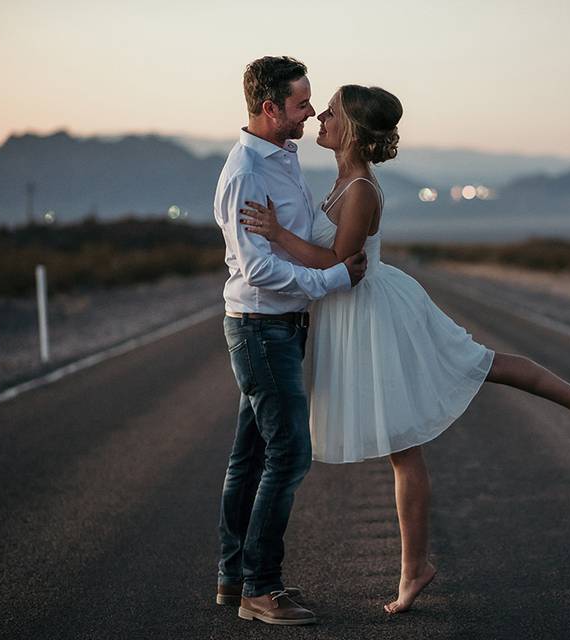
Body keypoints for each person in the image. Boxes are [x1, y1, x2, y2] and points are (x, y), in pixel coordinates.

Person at [240, 84, 570, 615]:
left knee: (421, 426)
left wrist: (279, 235)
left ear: (350, 128)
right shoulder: (340, 180)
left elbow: (335, 263)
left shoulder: (360, 189)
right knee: (468, 375)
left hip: (375, 316)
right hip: (359, 312)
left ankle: (417, 566)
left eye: (330, 111)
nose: (321, 118)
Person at [213, 56, 368, 627]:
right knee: (289, 454)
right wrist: (332, 279)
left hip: (277, 326)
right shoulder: (247, 173)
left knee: (250, 456)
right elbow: (259, 271)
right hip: (261, 325)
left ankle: (235, 578)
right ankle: (261, 588)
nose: (311, 111)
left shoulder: (281, 157)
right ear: (269, 107)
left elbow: (292, 240)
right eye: (302, 104)